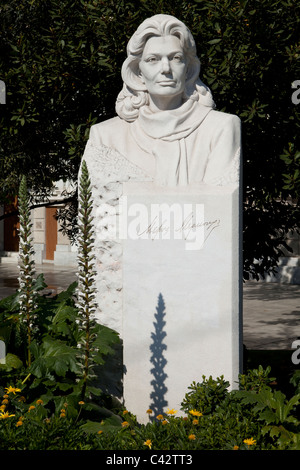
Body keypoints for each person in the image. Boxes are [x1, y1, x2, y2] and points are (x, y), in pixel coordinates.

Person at [85, 14, 241, 187]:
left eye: (176, 58)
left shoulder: (220, 128)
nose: (166, 68)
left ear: (188, 70)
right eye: (153, 60)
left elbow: (219, 207)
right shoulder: (106, 137)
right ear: (138, 72)